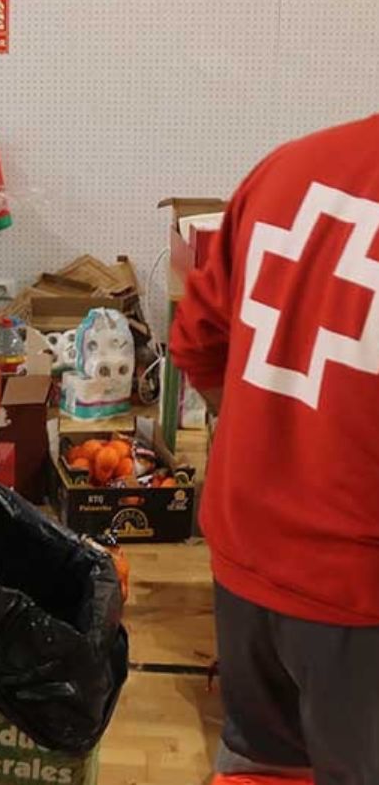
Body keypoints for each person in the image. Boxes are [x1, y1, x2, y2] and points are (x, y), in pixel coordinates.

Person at [170, 118, 379, 785]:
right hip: (356, 591)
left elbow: (198, 343)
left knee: (262, 768)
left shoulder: (289, 166)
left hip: (245, 556)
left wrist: (278, 450)